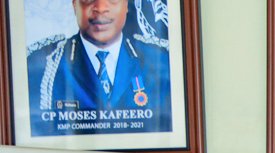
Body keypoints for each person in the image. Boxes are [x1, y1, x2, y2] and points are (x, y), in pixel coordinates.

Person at [26, 0, 172, 135]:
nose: (101, 8)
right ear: (74, 5)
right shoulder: (41, 66)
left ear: (126, 4)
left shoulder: (162, 61)